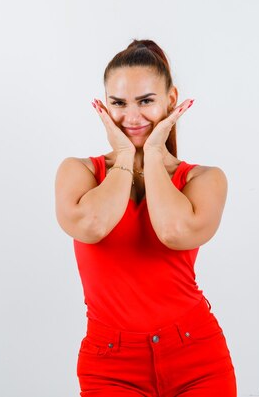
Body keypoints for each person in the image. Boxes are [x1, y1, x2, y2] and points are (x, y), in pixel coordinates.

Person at [54, 39, 237, 397]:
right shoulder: (78, 172)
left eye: (146, 101)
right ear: (104, 105)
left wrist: (154, 152)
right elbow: (91, 225)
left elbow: (174, 230)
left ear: (171, 101)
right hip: (111, 364)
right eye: (118, 103)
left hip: (196, 355)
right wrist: (124, 154)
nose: (132, 117)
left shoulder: (203, 179)